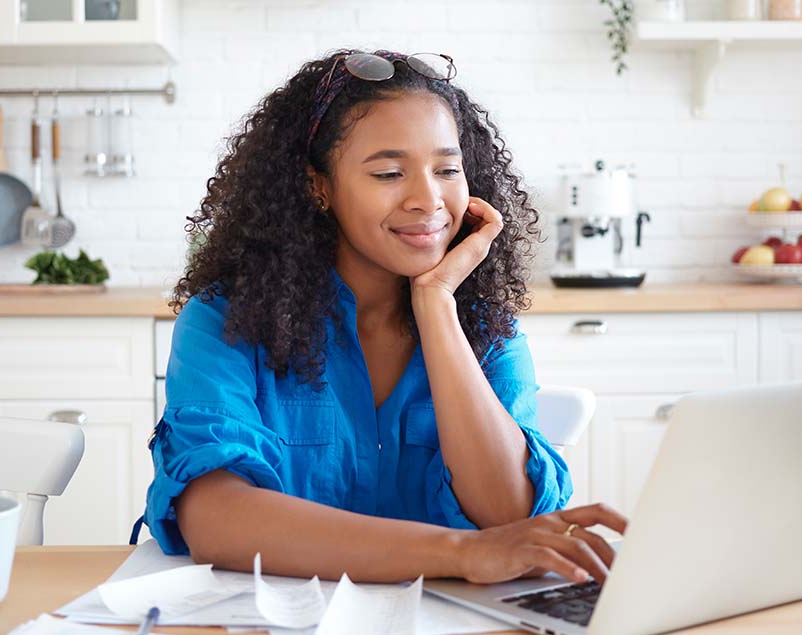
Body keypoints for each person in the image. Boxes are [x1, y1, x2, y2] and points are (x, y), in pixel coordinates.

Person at [137, 49, 627, 585]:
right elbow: (216, 519)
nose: (428, 199)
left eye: (446, 169)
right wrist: (461, 553)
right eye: (390, 172)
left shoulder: (487, 329)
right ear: (317, 186)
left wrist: (437, 304)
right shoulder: (224, 321)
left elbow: (508, 515)